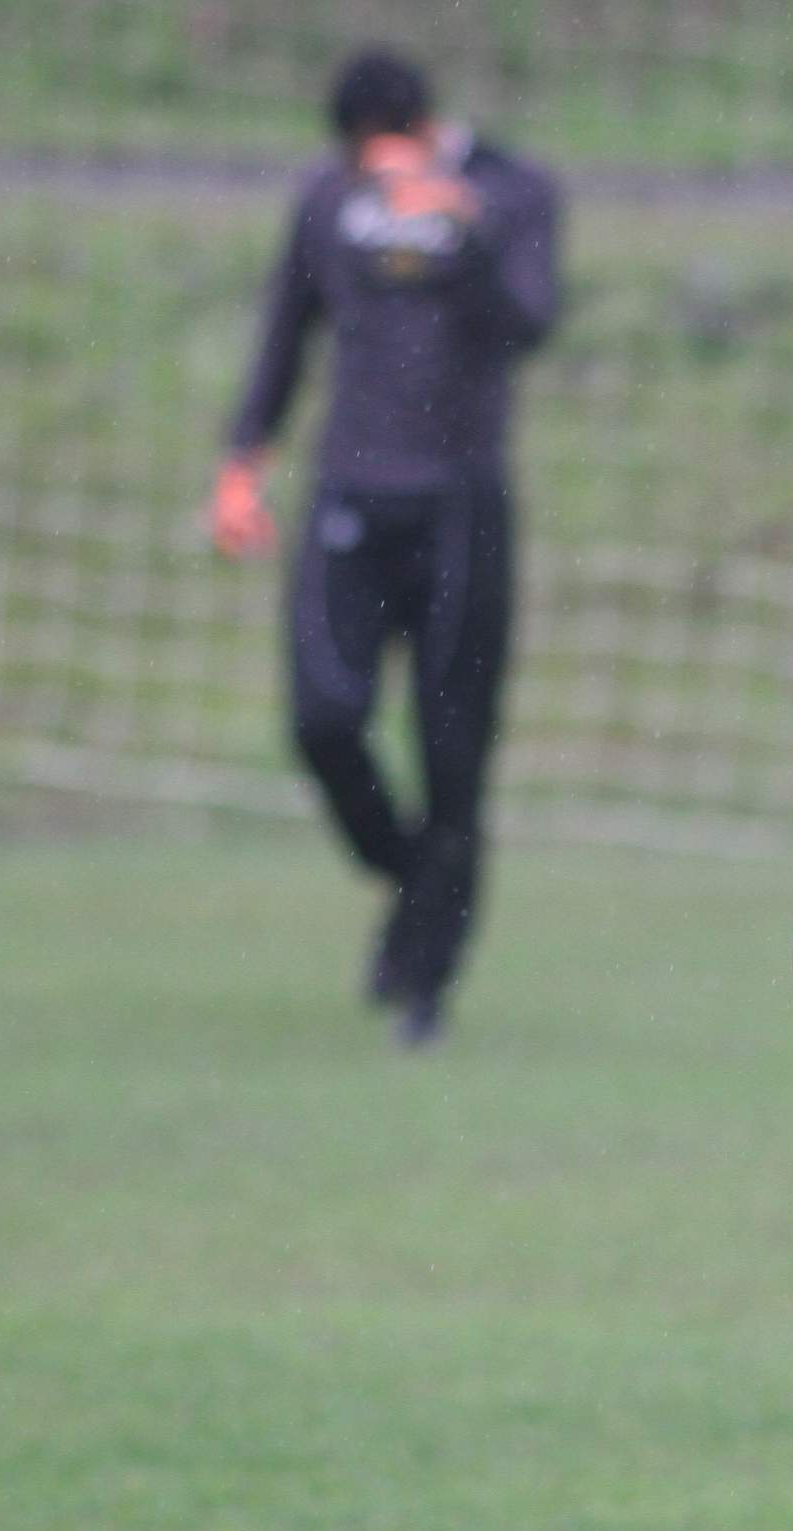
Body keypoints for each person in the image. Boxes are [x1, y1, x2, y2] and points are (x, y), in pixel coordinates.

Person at [206, 47, 562, 1049]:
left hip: (462, 507)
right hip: (349, 498)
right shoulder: (327, 198)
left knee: (455, 756)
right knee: (323, 719)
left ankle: (425, 987)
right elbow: (286, 331)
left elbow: (531, 324)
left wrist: (466, 230)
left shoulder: (513, 192)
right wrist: (241, 462)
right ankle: (412, 879)